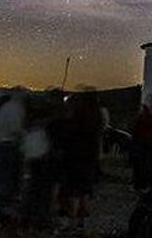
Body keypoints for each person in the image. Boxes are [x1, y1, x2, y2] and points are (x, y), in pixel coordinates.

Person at [59, 92, 103, 232]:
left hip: (75, 158)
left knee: (74, 191)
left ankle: (72, 220)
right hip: (89, 159)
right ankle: (81, 221)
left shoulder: (75, 119)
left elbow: (67, 138)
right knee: (85, 191)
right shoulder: (96, 118)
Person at [0, 90, 26, 211]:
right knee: (7, 175)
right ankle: (3, 203)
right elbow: (15, 128)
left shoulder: (4, 107)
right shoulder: (18, 108)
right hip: (9, 144)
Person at [21, 104, 55, 228]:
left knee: (31, 189)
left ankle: (28, 215)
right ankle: (39, 216)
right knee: (41, 191)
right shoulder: (44, 131)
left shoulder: (31, 132)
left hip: (34, 161)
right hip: (41, 162)